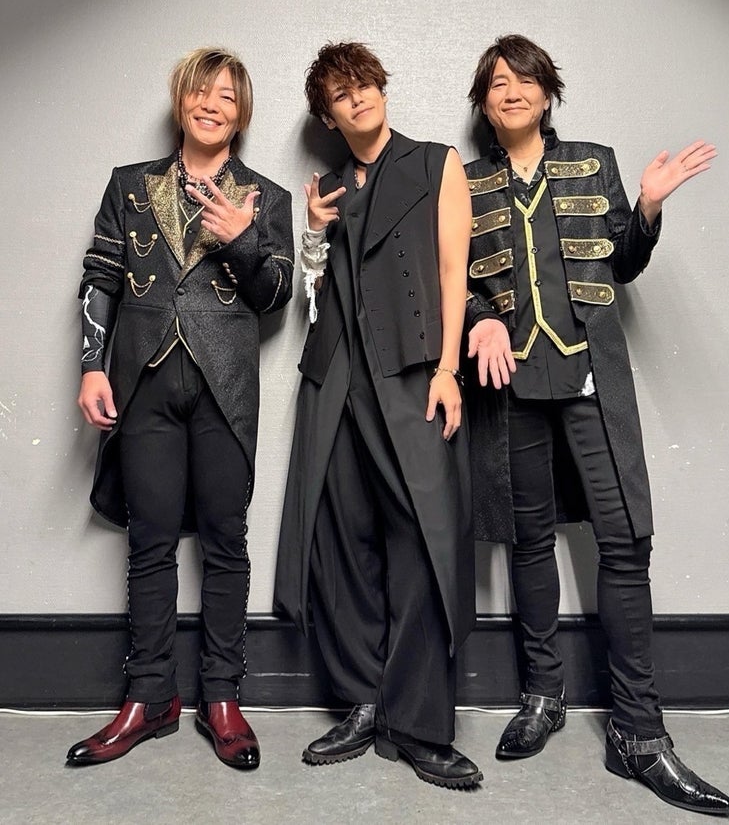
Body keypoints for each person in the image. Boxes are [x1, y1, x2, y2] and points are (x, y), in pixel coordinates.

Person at [463, 34, 729, 816]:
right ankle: (542, 694)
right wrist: (481, 318)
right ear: (484, 103)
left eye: (524, 78)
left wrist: (647, 206)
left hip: (588, 376)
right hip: (512, 383)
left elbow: (622, 261)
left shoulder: (592, 161)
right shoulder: (467, 184)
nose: (511, 89)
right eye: (496, 82)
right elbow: (457, 280)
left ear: (547, 92)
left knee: (624, 541)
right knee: (529, 537)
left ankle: (638, 732)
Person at [67, 47, 294, 770]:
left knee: (226, 542)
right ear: (181, 101)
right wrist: (91, 366)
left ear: (241, 113)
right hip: (143, 386)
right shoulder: (129, 186)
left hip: (225, 389)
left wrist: (243, 240)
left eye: (227, 95)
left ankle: (222, 697)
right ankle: (149, 698)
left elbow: (277, 296)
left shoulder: (264, 197)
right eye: (201, 91)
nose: (211, 104)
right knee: (150, 542)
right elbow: (101, 276)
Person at [274, 42, 481, 789]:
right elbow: (314, 299)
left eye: (363, 83)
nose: (357, 97)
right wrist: (313, 232)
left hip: (413, 376)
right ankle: (363, 702)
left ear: (381, 89)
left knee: (423, 541)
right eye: (340, 93)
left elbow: (455, 270)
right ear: (328, 117)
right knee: (342, 541)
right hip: (336, 382)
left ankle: (418, 723)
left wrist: (449, 371)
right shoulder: (328, 188)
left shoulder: (435, 164)